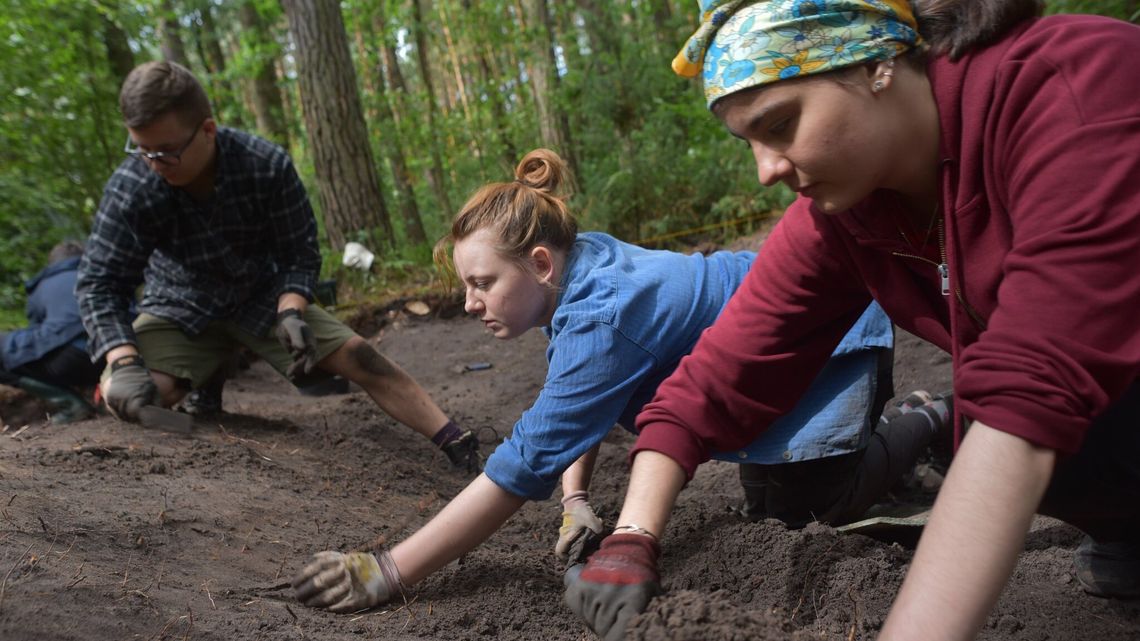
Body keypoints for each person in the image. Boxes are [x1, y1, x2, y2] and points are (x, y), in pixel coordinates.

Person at [563, 2, 1140, 640]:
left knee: (1007, 410)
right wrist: (632, 537)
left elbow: (1037, 382)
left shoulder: (1072, 83)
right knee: (977, 418)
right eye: (749, 142)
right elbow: (713, 381)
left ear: (875, 64)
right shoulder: (849, 215)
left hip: (1097, 374)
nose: (766, 170)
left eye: (781, 125)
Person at [290, 148, 952, 613]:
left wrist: (391, 569)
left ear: (541, 262)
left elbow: (521, 463)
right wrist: (576, 499)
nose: (469, 302)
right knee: (771, 501)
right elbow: (581, 397)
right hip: (764, 373)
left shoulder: (604, 311)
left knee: (812, 510)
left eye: (481, 283)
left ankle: (926, 418)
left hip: (834, 342)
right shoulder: (580, 271)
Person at [75, 61, 479, 472]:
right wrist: (122, 361)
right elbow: (99, 284)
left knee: (360, 357)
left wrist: (291, 311)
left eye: (166, 152)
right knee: (130, 397)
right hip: (179, 304)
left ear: (208, 130)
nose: (153, 163)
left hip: (259, 296)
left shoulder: (265, 165)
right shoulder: (132, 187)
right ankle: (199, 398)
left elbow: (299, 254)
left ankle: (451, 438)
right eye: (142, 150)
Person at [0, 241, 100, 424]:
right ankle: (105, 398)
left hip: (70, 360)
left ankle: (70, 404)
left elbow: (35, 339)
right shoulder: (107, 274)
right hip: (113, 356)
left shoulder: (42, 285)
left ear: (53, 263)